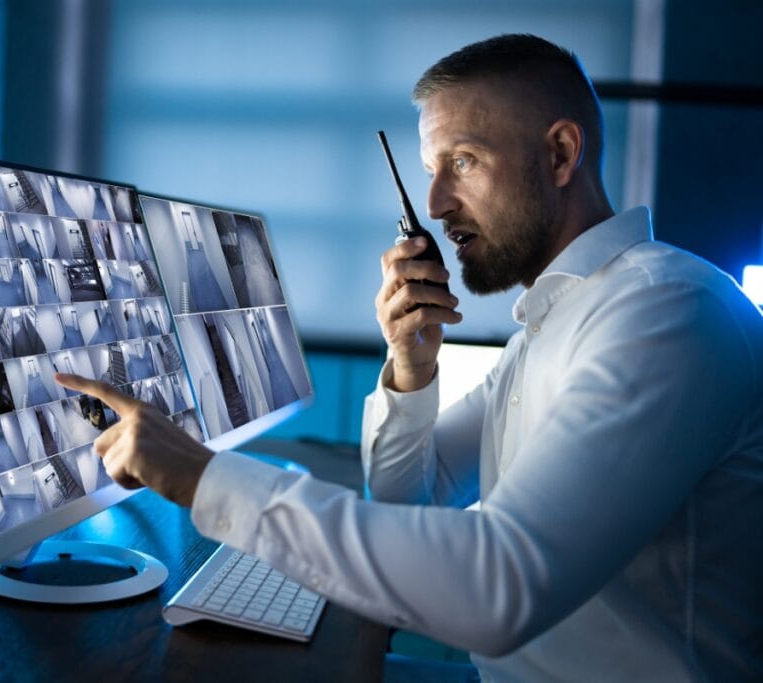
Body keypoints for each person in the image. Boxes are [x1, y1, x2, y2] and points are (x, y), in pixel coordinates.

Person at [56, 34, 763, 682]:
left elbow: (499, 587)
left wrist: (202, 475)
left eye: (463, 161)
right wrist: (412, 367)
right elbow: (405, 499)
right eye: (430, 170)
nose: (435, 202)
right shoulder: (554, 326)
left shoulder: (666, 313)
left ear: (559, 155)